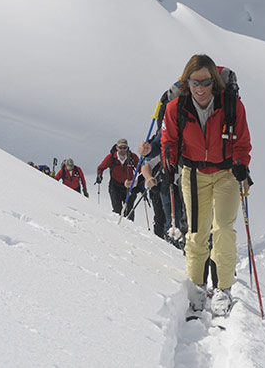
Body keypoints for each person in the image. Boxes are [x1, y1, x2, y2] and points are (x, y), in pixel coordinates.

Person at [161, 54, 251, 317]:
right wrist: (168, 162)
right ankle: (197, 287)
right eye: (194, 82)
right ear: (186, 82)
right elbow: (169, 139)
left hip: (226, 174)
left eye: (206, 82)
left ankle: (223, 289)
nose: (200, 88)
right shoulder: (175, 108)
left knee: (223, 229)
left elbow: (243, 141)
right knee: (197, 232)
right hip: (194, 173)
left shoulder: (232, 105)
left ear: (214, 82)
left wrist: (240, 163)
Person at [96, 138, 142, 220]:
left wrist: (140, 184)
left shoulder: (132, 157)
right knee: (117, 210)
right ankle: (118, 230)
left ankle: (130, 230)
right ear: (117, 148)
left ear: (127, 148)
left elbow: (141, 170)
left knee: (129, 211)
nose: (122, 150)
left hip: (129, 187)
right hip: (115, 186)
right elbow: (101, 168)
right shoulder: (111, 157)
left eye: (125, 148)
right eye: (121, 148)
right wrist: (99, 176)